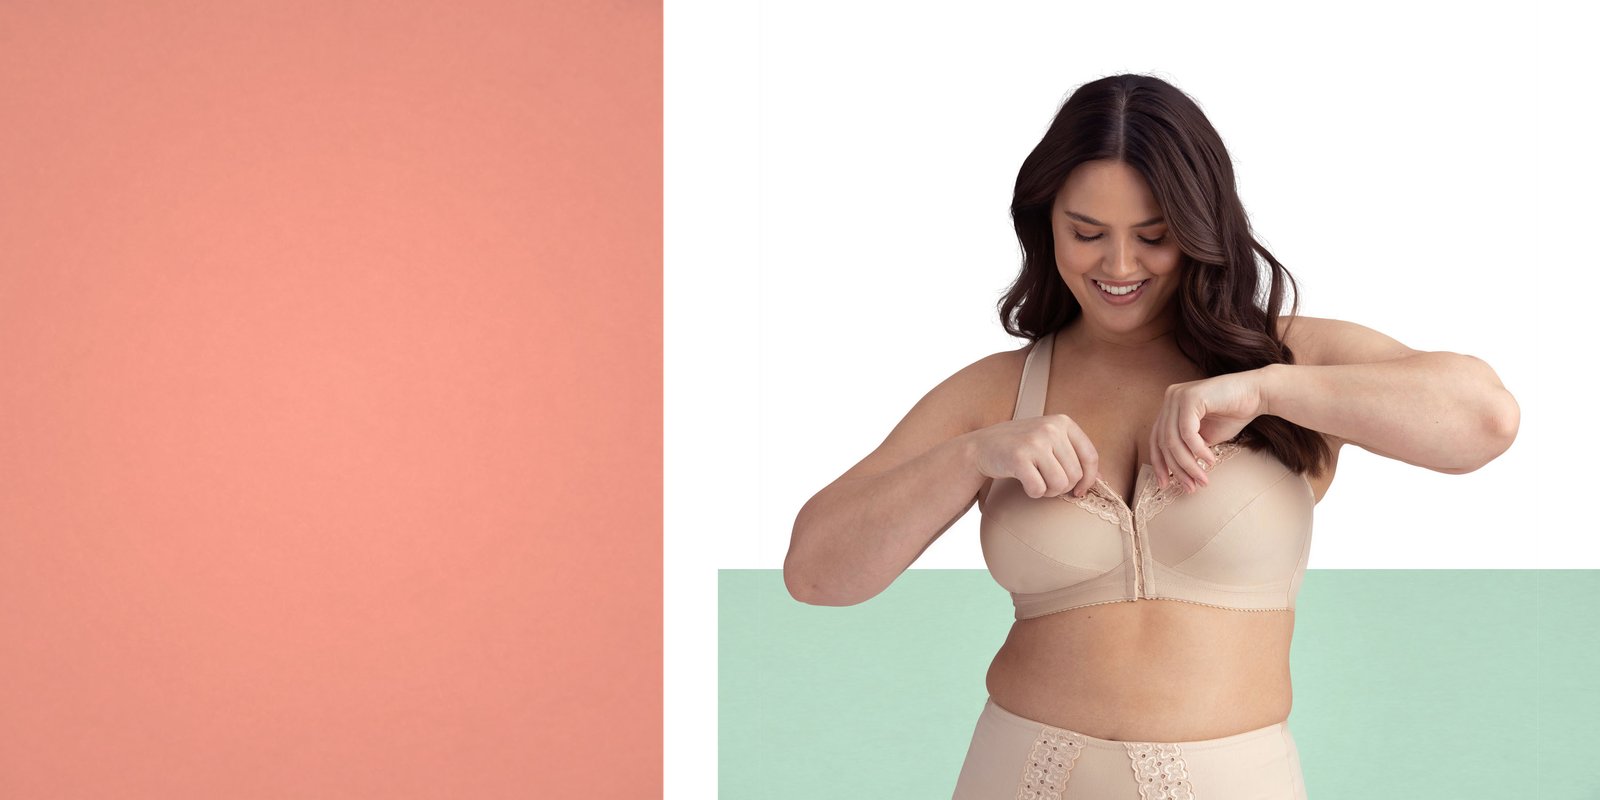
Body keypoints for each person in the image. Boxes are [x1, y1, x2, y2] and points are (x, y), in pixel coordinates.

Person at [783, 73, 1520, 799]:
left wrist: (1264, 386)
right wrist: (976, 452)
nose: (1120, 265)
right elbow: (815, 574)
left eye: (1154, 236)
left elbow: (1485, 420)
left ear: (1202, 229)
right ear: (1045, 224)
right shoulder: (998, 391)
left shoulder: (1289, 360)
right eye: (1087, 233)